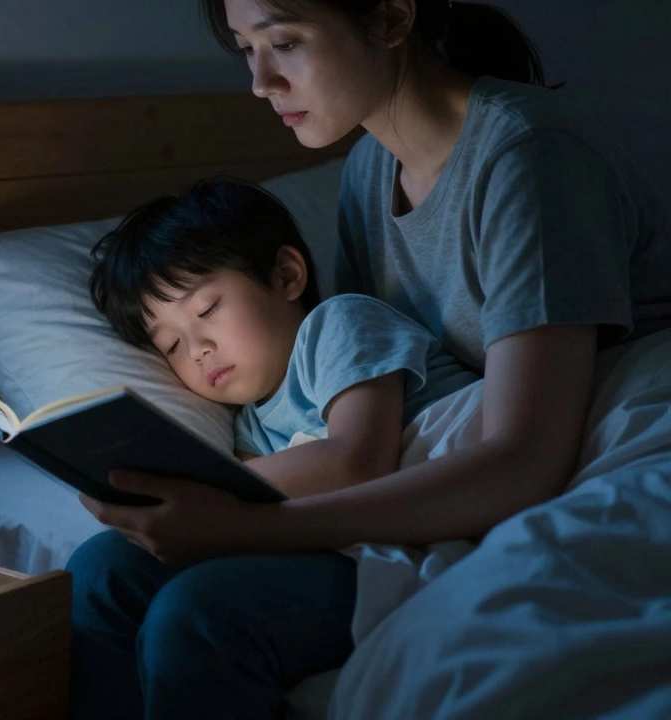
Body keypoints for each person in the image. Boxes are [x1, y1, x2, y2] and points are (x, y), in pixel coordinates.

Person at [67, 1, 671, 718]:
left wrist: (244, 521)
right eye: (246, 49)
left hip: (602, 447)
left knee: (199, 615)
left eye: (284, 42)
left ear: (389, 18)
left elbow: (521, 458)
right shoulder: (365, 172)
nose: (261, 81)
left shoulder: (526, 153)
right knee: (101, 571)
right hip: (440, 471)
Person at [89, 177, 477, 499]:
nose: (196, 350)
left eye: (207, 309)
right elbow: (259, 510)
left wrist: (203, 491)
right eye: (171, 345)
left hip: (485, 470)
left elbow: (357, 462)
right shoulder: (251, 428)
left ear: (287, 276)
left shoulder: (339, 326)